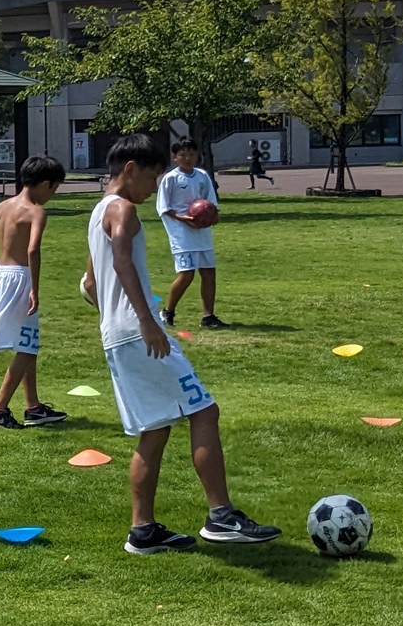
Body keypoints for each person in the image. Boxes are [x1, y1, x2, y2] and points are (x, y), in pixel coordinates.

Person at [81, 134, 280, 555]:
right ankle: (221, 515)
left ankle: (143, 531)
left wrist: (114, 314)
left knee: (154, 430)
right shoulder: (122, 209)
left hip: (116, 335)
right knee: (204, 411)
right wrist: (145, 320)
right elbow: (120, 261)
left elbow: (90, 283)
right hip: (139, 332)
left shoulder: (97, 210)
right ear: (131, 169)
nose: (154, 187)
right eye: (152, 177)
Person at [0, 153, 67, 430]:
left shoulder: (5, 206)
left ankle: (33, 407)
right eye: (54, 188)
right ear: (44, 184)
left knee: (27, 342)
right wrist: (35, 288)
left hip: (2, 276)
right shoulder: (36, 212)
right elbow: (33, 250)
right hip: (20, 278)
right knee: (27, 347)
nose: (52, 195)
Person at [157, 137, 227, 329]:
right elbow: (164, 208)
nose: (187, 158)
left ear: (197, 155)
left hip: (202, 234)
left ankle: (208, 316)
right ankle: (168, 311)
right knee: (187, 274)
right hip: (182, 234)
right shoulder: (170, 178)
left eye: (191, 154)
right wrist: (185, 219)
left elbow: (210, 203)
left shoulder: (202, 175)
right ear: (175, 157)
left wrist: (211, 216)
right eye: (182, 154)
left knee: (209, 273)